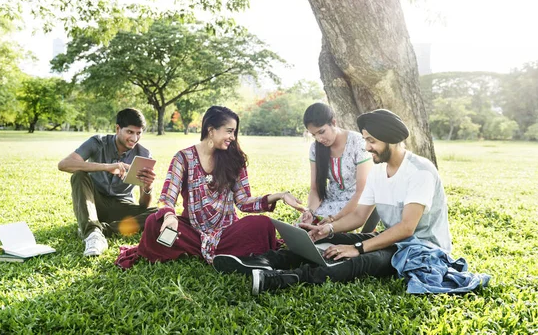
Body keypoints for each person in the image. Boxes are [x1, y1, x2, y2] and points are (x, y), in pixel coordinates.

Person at [213, 109, 453, 294]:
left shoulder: (420, 171)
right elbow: (359, 216)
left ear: (390, 139)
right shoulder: (379, 172)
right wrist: (325, 229)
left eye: (372, 141)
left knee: (362, 260)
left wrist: (357, 248)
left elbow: (407, 228)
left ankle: (287, 279)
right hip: (392, 240)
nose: (367, 147)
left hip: (420, 248)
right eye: (366, 140)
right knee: (325, 240)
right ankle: (265, 261)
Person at [115, 106, 306, 268]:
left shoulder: (235, 159)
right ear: (211, 130)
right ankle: (225, 254)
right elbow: (167, 197)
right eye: (229, 131)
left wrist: (279, 196)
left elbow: (244, 202)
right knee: (153, 224)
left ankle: (214, 251)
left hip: (226, 231)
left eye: (234, 132)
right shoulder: (183, 158)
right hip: (191, 230)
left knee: (262, 225)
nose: (233, 137)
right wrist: (170, 217)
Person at [58, 108, 157, 257]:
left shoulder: (144, 155)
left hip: (121, 208)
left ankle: (102, 230)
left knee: (159, 214)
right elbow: (64, 164)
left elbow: (144, 206)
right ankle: (92, 234)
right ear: (118, 129)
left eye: (139, 133)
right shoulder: (97, 142)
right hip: (94, 203)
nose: (134, 138)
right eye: (130, 132)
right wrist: (107, 167)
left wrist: (148, 187)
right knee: (78, 175)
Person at [298, 103, 379, 231]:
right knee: (302, 228)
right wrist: (310, 211)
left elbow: (361, 191)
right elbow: (315, 188)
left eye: (321, 132)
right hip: (330, 200)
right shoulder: (315, 148)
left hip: (355, 203)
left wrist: (334, 219)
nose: (319, 139)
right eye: (314, 135)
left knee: (325, 232)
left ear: (333, 123)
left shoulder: (357, 142)